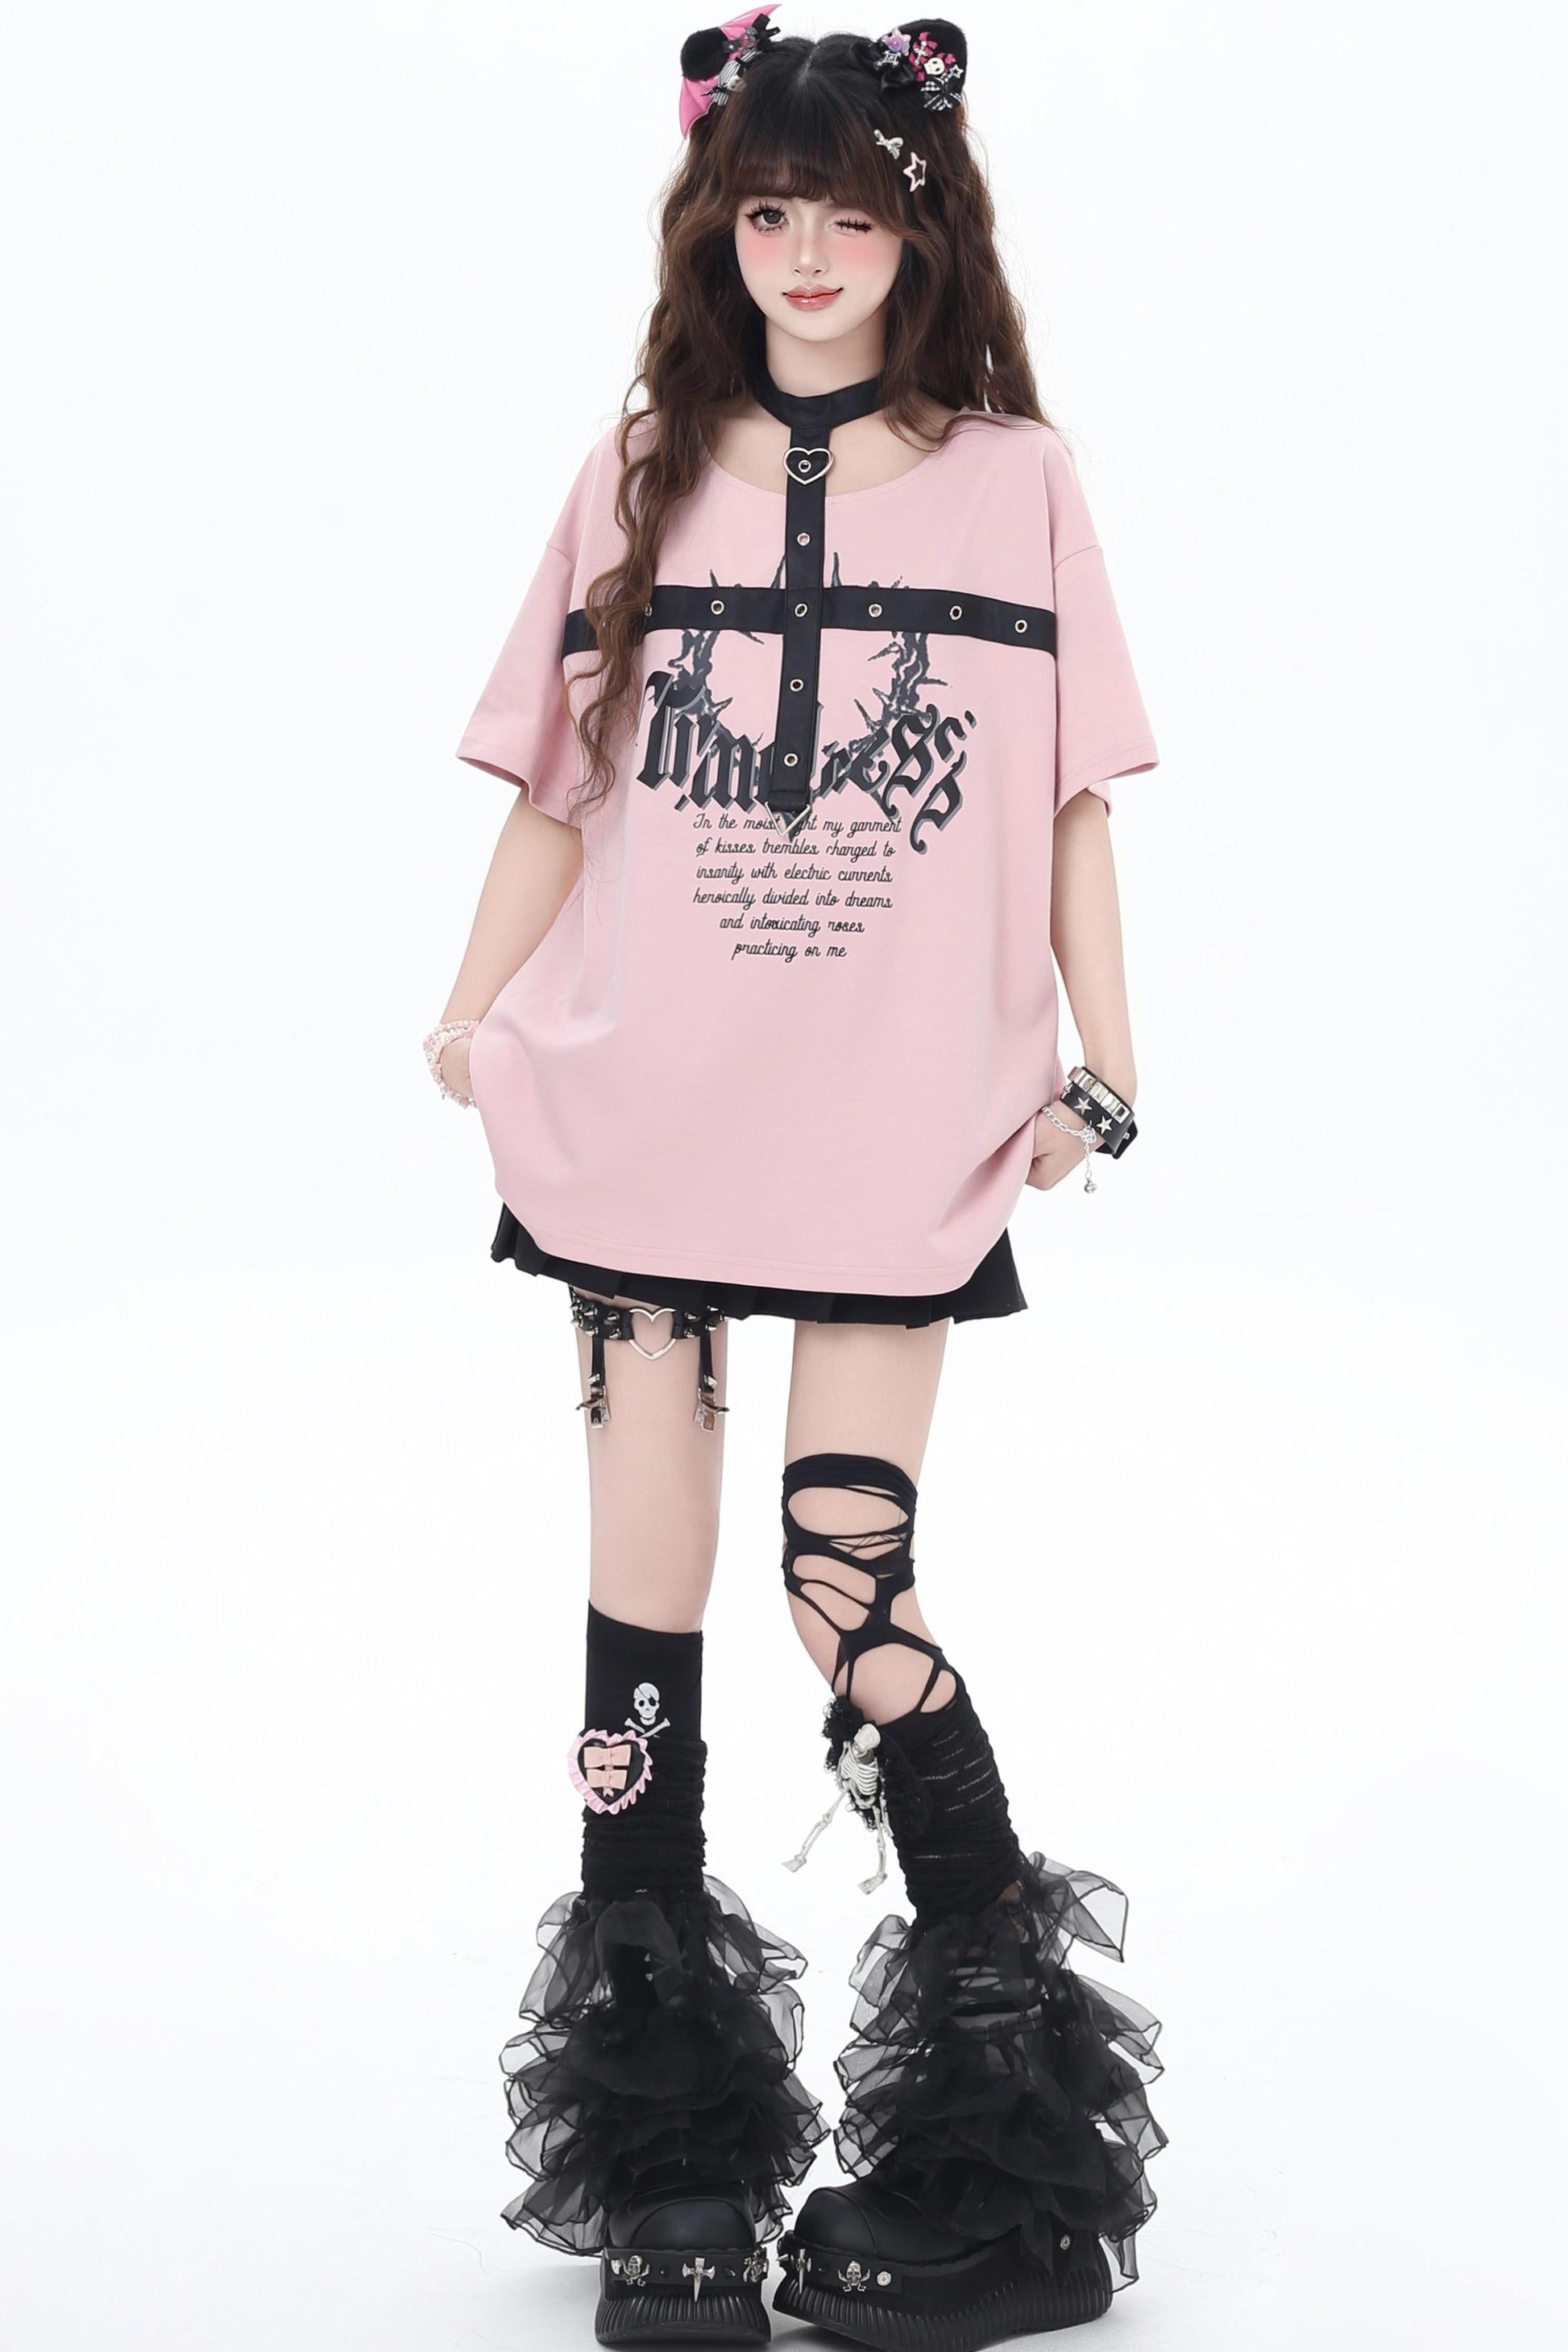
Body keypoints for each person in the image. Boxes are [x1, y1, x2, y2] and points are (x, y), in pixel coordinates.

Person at [425, 12, 1168, 2346]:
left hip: (892, 1123)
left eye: (849, 212)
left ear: (918, 228)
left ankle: (1004, 2158)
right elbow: (557, 790)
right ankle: (667, 2164)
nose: (810, 254)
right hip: (644, 1111)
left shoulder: (1018, 484)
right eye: (769, 210)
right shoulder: (639, 468)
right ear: (717, 223)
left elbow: (1068, 800)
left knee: (846, 1588)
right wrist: (468, 1011)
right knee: (635, 1615)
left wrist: (1108, 1072)